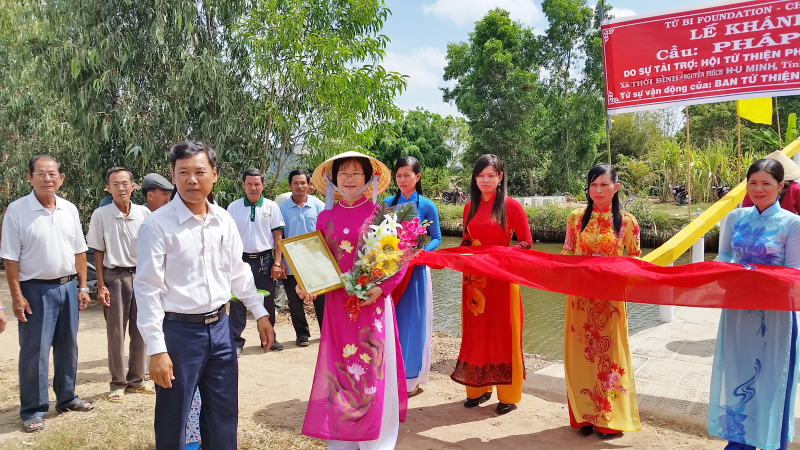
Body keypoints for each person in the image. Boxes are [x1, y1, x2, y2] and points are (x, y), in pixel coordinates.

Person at [134, 141, 275, 450]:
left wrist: (261, 313)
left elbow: (238, 271)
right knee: (174, 416)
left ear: (215, 174)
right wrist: (157, 349)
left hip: (221, 329)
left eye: (199, 172)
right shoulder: (157, 225)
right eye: (183, 172)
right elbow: (147, 289)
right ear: (173, 175)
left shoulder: (223, 220)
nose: (192, 180)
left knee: (223, 413)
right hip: (179, 333)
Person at [299, 151, 407, 449]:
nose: (349, 179)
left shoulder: (383, 215)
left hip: (371, 305)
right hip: (337, 304)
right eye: (343, 173)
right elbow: (317, 261)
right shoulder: (325, 217)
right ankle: (343, 436)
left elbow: (400, 258)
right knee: (340, 366)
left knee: (372, 365)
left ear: (369, 178)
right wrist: (307, 285)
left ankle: (376, 438)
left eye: (355, 173)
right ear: (333, 179)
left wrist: (382, 289)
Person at [709, 158, 800, 450]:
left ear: (781, 186)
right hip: (738, 308)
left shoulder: (792, 223)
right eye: (753, 183)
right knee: (738, 371)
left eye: (766, 184)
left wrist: (753, 275)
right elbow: (724, 255)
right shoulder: (735, 217)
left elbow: (794, 271)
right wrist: (721, 272)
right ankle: (739, 443)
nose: (759, 189)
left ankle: (771, 442)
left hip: (776, 312)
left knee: (773, 377)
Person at [0, 155, 95, 433]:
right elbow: (10, 259)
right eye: (40, 174)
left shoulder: (69, 209)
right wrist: (17, 296)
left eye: (52, 174)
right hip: (35, 290)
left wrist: (82, 287)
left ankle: (67, 397)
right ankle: (33, 409)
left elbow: (79, 251)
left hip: (68, 287)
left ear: (61, 178)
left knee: (68, 346)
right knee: (36, 351)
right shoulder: (18, 210)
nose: (47, 179)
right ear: (30, 178)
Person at [561, 164, 641, 438]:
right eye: (593, 185)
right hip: (580, 299)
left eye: (604, 185)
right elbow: (567, 253)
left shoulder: (627, 222)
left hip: (610, 300)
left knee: (609, 356)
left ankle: (608, 420)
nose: (598, 190)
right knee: (581, 355)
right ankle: (582, 417)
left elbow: (635, 259)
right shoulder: (576, 218)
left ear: (616, 188)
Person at [455, 154, 532, 416]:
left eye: (491, 175)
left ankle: (508, 395)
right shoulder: (469, 207)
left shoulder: (511, 206)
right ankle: (479, 388)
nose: (485, 180)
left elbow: (526, 241)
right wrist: (460, 253)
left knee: (503, 333)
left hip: (501, 278)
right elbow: (467, 240)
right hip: (474, 281)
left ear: (500, 177)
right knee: (477, 333)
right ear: (475, 179)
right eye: (481, 175)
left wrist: (503, 254)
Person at [87, 167, 153, 403]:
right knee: (116, 332)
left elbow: (152, 247)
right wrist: (101, 285)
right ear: (108, 188)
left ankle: (137, 379)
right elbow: (98, 251)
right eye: (115, 184)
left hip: (141, 276)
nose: (121, 188)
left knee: (141, 329)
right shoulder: (101, 215)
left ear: (133, 187)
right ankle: (117, 383)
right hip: (115, 277)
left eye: (125, 183)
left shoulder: (144, 213)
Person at [383, 156, 442, 397]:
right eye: (398, 175)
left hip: (415, 270)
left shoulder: (427, 205)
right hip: (389, 269)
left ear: (417, 177)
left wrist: (422, 251)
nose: (402, 180)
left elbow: (436, 237)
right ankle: (388, 376)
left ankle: (410, 380)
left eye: (407, 175)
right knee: (391, 320)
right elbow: (378, 234)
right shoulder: (387, 203)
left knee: (412, 322)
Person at [226, 168, 286, 354]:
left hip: (265, 259)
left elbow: (278, 236)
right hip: (240, 259)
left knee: (267, 300)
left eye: (257, 184)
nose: (253, 188)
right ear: (243, 185)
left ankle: (268, 338)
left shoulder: (271, 207)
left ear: (263, 185)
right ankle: (235, 341)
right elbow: (227, 236)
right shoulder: (233, 207)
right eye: (249, 184)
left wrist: (277, 262)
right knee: (237, 301)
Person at [278, 169, 326, 346]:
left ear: (309, 185)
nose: (300, 186)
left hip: (315, 262)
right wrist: (280, 261)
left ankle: (325, 332)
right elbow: (278, 236)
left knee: (321, 300)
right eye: (296, 183)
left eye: (303, 183)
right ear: (290, 185)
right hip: (291, 262)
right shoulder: (281, 209)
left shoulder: (319, 206)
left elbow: (326, 232)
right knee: (295, 301)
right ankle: (302, 334)